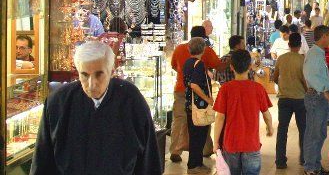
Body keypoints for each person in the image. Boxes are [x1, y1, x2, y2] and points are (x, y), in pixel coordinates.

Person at [30, 41, 160, 174]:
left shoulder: (131, 100)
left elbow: (149, 161)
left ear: (111, 72)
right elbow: (43, 159)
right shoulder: (59, 102)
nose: (92, 84)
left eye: (99, 74)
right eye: (85, 75)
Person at [213, 49, 273, 175]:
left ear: (231, 67)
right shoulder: (258, 89)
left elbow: (220, 118)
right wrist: (270, 128)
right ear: (250, 66)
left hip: (230, 143)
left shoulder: (225, 89)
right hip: (251, 143)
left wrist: (216, 141)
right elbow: (266, 114)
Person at [170, 26, 226, 163]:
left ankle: (175, 151)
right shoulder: (205, 51)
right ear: (203, 37)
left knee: (179, 119)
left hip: (180, 89)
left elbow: (173, 65)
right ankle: (206, 149)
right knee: (202, 118)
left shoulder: (179, 49)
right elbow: (218, 66)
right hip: (198, 92)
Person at [303, 25, 329, 175]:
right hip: (316, 97)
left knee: (320, 133)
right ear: (323, 36)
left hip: (319, 96)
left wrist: (327, 88)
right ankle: (310, 168)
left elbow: (317, 74)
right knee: (314, 133)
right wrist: (324, 90)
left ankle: (315, 165)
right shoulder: (314, 54)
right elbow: (310, 75)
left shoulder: (318, 53)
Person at [272, 32, 307, 170]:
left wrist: (283, 83)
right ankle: (303, 159)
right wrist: (306, 90)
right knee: (303, 129)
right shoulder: (302, 60)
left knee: (282, 130)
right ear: (300, 45)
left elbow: (275, 77)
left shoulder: (281, 58)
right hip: (300, 99)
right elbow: (305, 80)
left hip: (284, 99)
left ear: (288, 44)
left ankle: (280, 161)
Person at [183, 37, 215, 173]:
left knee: (194, 135)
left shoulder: (187, 63)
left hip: (190, 104)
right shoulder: (199, 64)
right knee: (200, 135)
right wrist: (207, 99)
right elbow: (195, 85)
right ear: (203, 49)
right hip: (199, 105)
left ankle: (195, 163)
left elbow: (188, 82)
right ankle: (195, 164)